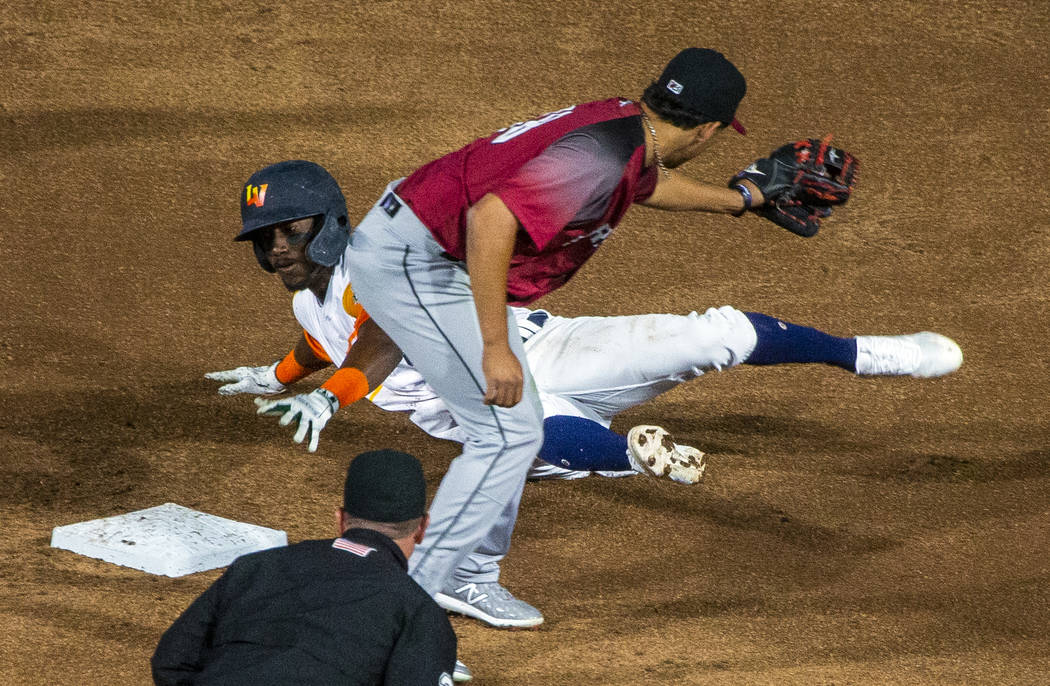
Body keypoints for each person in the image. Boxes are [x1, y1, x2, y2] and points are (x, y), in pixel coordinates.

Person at [211, 49, 962, 630]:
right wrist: (483, 347)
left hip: (536, 336)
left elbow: (643, 181)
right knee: (526, 428)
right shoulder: (595, 153)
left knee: (717, 333)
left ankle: (867, 354)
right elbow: (490, 224)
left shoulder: (618, 130)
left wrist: (742, 199)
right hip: (477, 358)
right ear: (707, 129)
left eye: (288, 235)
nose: (278, 250)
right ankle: (482, 564)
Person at [151, 449, 466, 685]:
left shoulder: (255, 567)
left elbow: (171, 662)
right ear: (423, 528)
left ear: (341, 519)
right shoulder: (419, 613)